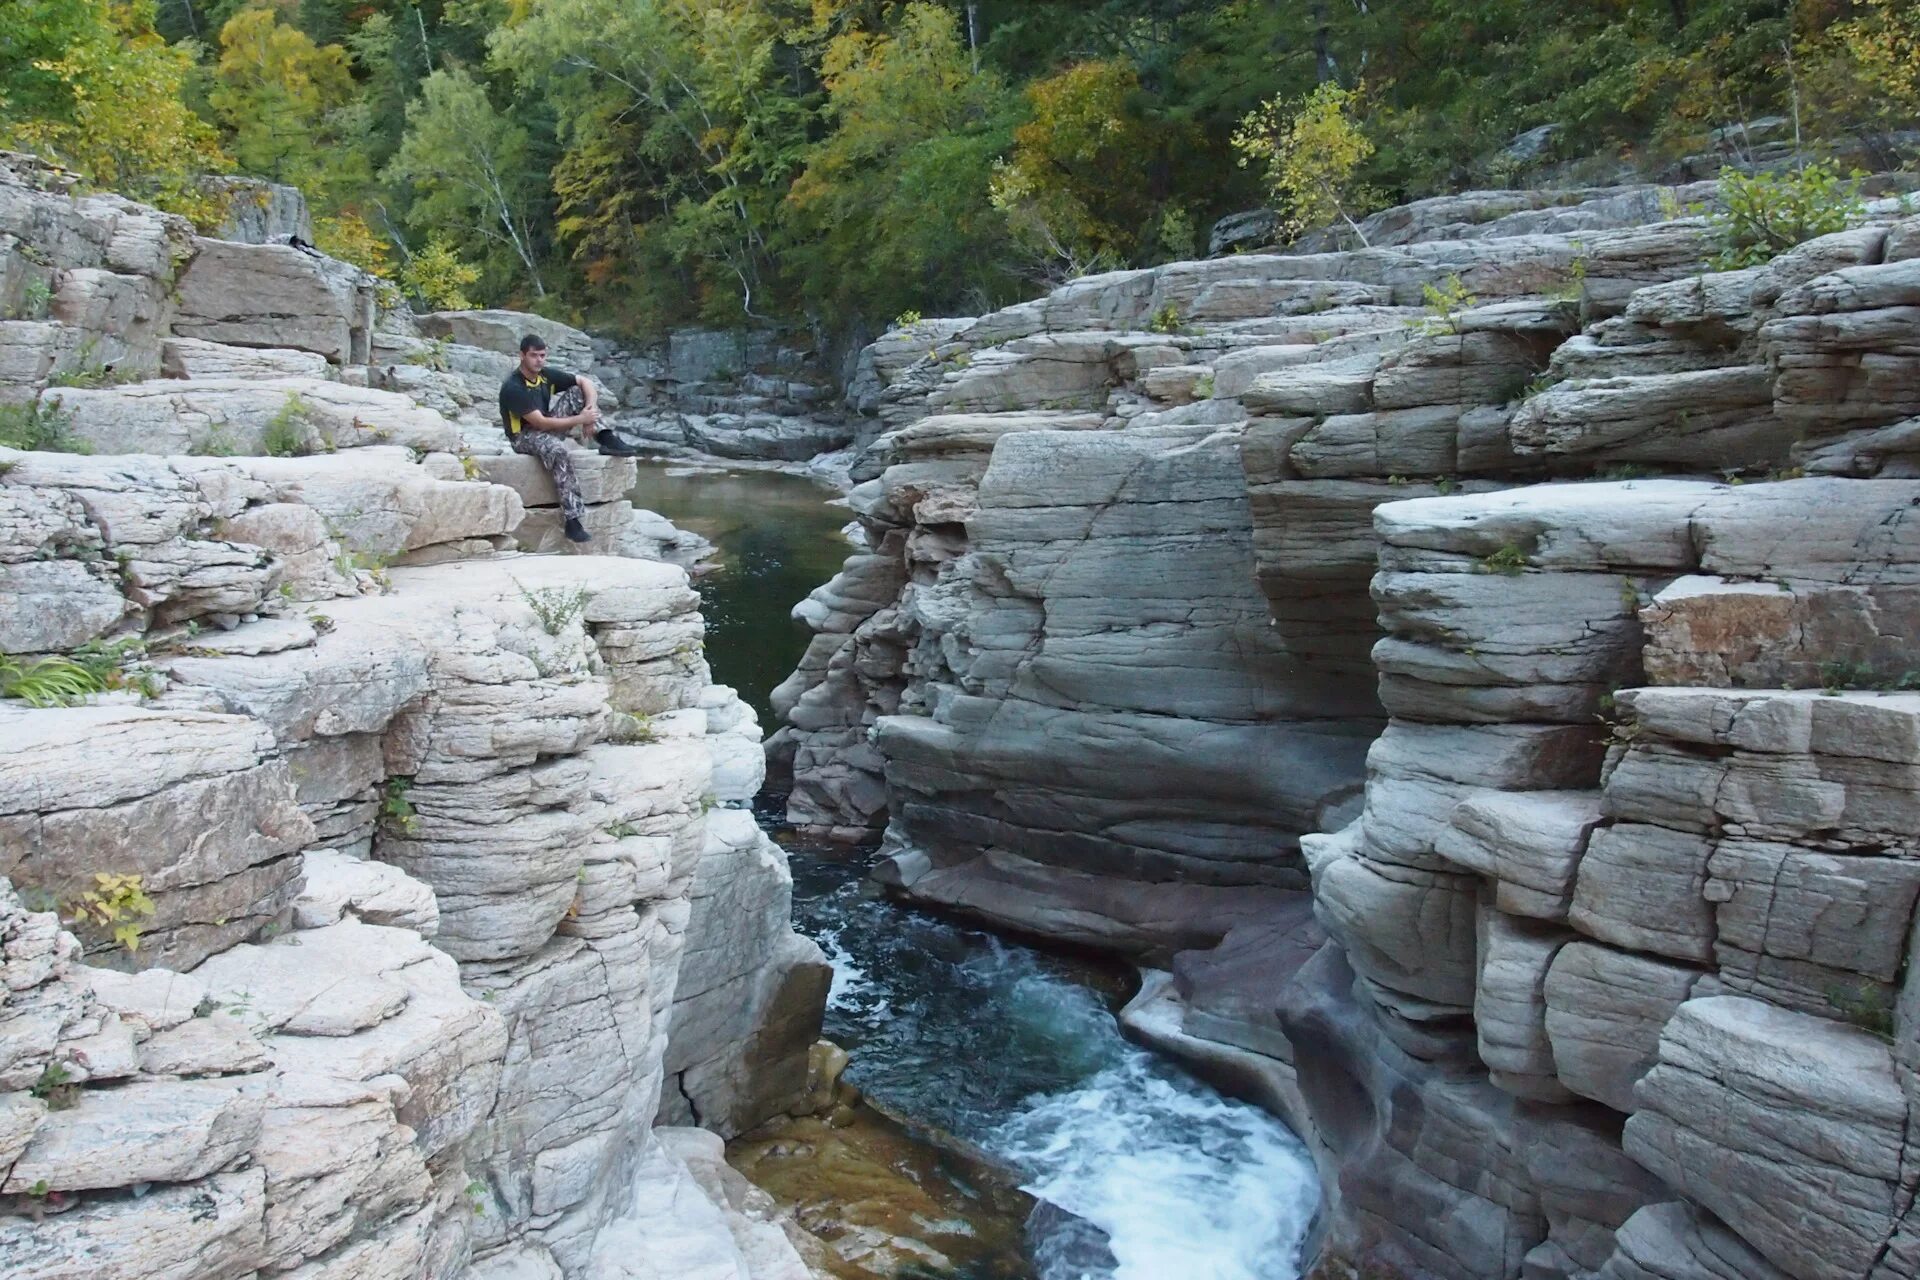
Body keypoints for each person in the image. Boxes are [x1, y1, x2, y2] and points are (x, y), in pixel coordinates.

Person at [498, 334, 638, 543]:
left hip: (545, 426)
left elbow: (585, 382)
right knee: (558, 451)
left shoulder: (545, 376)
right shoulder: (514, 387)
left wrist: (589, 412)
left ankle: (606, 438)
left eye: (542, 355)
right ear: (522, 356)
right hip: (523, 437)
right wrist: (581, 418)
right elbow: (540, 423)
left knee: (577, 391)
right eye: (534, 355)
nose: (539, 360)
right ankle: (573, 520)